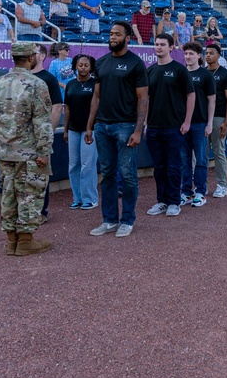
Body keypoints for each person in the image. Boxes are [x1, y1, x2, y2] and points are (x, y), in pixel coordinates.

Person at [0, 42, 54, 256]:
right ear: (31, 58)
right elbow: (42, 122)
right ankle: (25, 241)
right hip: (30, 152)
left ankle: (11, 241)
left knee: (8, 195)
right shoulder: (37, 84)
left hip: (5, 151)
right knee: (29, 194)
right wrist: (44, 151)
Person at [88, 21, 149, 239]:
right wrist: (90, 126)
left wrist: (138, 129)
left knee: (128, 174)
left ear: (127, 38)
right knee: (107, 174)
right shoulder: (101, 63)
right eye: (111, 33)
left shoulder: (136, 63)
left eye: (117, 34)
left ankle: (128, 220)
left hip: (126, 126)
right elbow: (96, 97)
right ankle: (110, 220)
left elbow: (143, 99)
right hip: (102, 127)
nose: (112, 37)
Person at [144, 33, 194, 218]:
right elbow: (147, 99)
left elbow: (191, 95)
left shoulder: (180, 70)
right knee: (159, 167)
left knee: (173, 166)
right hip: (153, 127)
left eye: (162, 44)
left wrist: (187, 121)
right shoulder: (150, 70)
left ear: (171, 47)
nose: (158, 47)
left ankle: (174, 202)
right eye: (156, 44)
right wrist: (146, 123)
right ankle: (162, 201)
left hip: (174, 127)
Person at [31, 44, 64, 223]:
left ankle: (41, 212)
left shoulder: (49, 79)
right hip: (22, 137)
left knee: (41, 175)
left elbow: (57, 107)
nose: (29, 55)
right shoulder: (21, 77)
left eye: (34, 52)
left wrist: (47, 135)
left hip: (41, 135)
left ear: (42, 56)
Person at [180, 42, 215, 206]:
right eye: (186, 54)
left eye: (191, 54)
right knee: (184, 160)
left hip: (200, 123)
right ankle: (186, 192)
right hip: (182, 124)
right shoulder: (180, 73)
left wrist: (210, 123)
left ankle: (200, 192)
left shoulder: (206, 75)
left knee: (201, 159)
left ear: (198, 55)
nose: (188, 57)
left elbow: (211, 101)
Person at [63, 54, 99, 210]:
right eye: (80, 65)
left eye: (86, 65)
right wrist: (65, 129)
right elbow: (67, 108)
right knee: (73, 165)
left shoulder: (95, 83)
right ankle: (77, 198)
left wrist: (90, 128)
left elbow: (96, 106)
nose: (83, 68)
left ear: (91, 67)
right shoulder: (70, 84)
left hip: (90, 130)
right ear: (75, 66)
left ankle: (90, 198)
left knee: (87, 165)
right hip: (73, 130)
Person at [204, 43, 227, 197]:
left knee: (219, 152)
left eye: (211, 53)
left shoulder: (225, 74)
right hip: (202, 118)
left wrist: (226, 122)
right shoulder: (202, 72)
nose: (208, 55)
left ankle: (222, 185)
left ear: (218, 55)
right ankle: (201, 186)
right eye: (206, 53)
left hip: (218, 117)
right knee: (201, 154)